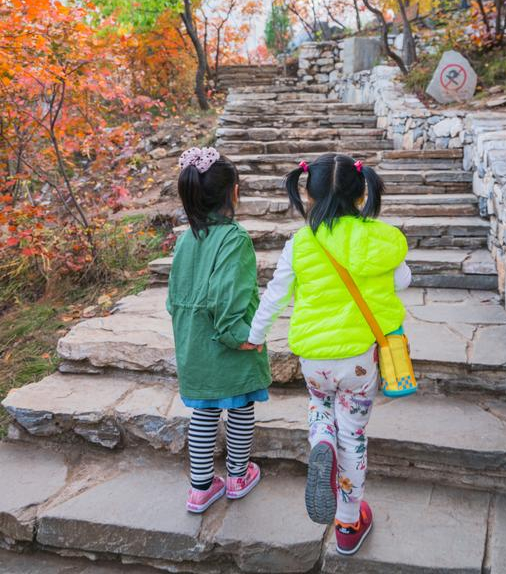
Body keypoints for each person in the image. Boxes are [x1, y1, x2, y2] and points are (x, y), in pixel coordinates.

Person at [247, 153, 411, 556]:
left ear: (309, 195)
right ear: (362, 195)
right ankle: (348, 523)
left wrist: (255, 335)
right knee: (352, 435)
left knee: (320, 406)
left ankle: (321, 440)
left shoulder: (300, 244)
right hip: (358, 360)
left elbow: (275, 294)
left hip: (314, 359)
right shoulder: (378, 239)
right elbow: (403, 280)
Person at [167, 146, 270, 515]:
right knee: (240, 407)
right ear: (234, 193)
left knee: (204, 412)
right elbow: (228, 298)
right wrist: (242, 338)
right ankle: (238, 477)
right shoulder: (234, 239)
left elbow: (174, 297)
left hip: (194, 344)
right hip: (229, 342)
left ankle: (200, 488)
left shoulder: (186, 239)